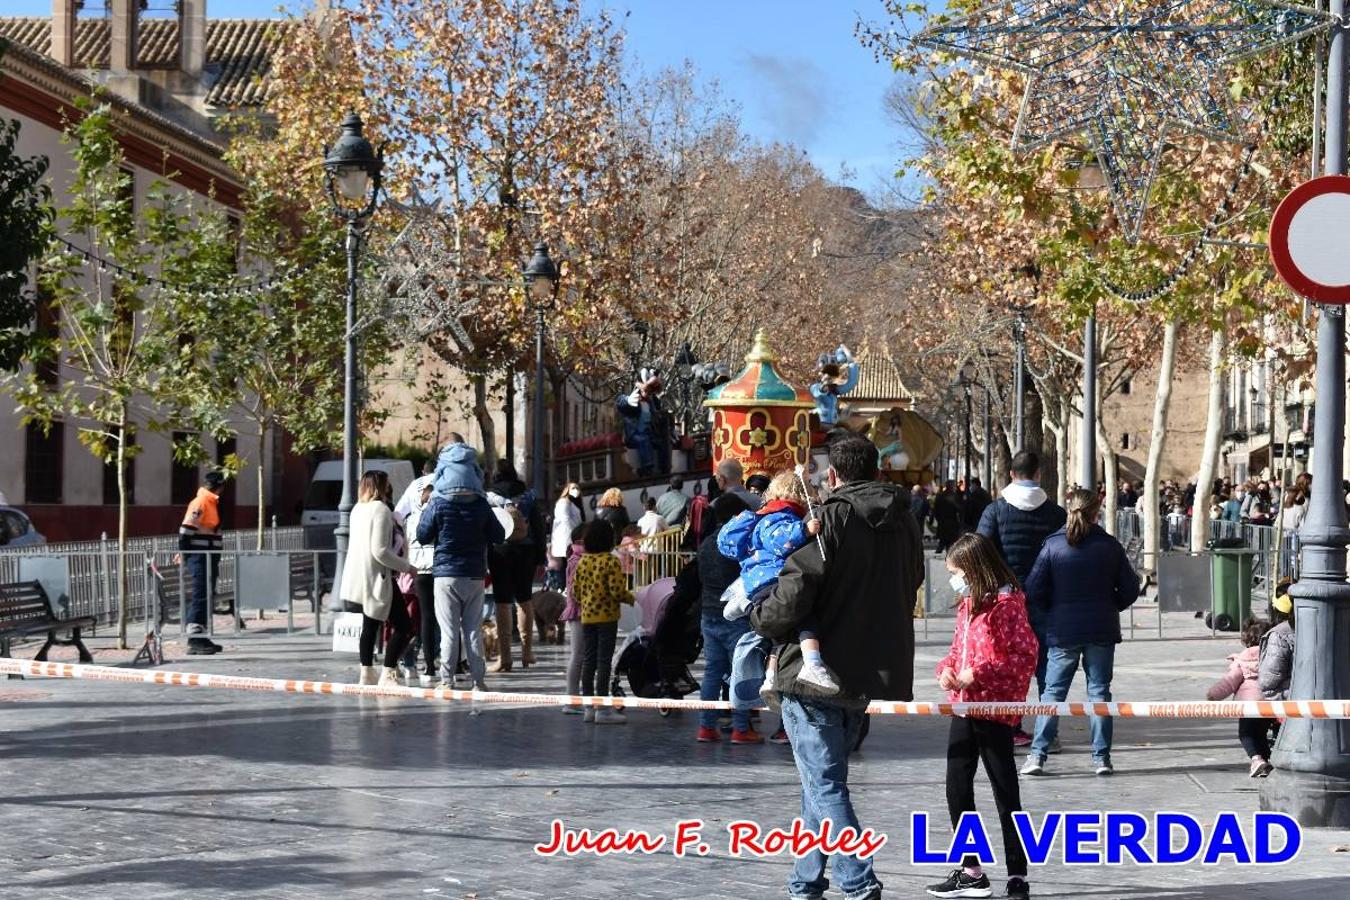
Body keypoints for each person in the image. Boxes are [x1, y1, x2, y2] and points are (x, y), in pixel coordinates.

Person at [750, 435, 924, 900]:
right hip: (867, 668)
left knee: (824, 783)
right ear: (879, 471)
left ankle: (857, 878)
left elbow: (795, 588)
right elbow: (913, 581)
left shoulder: (829, 517)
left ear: (833, 476)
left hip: (813, 670)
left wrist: (760, 613)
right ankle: (805, 881)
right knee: (820, 781)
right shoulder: (904, 521)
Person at [929, 533, 1037, 900]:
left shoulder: (1007, 605)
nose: (953, 579)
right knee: (957, 787)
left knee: (1005, 790)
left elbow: (1023, 658)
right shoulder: (967, 605)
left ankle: (1017, 872)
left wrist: (979, 674)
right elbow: (957, 651)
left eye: (957, 572)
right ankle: (970, 869)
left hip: (994, 707)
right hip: (963, 704)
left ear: (975, 569)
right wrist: (945, 670)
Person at [1021, 489, 1141, 777]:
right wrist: (1111, 605)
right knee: (1099, 692)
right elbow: (1130, 588)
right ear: (1096, 511)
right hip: (1101, 626)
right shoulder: (1109, 546)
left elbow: (1033, 589)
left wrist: (1053, 609)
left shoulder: (1053, 545)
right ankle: (1102, 758)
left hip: (1062, 629)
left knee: (1052, 693)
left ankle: (1038, 754)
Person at [977, 450, 1068, 746]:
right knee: (1046, 666)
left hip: (1005, 601)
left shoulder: (995, 511)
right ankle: (1046, 733)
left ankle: (1011, 727)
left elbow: (980, 550)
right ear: (1038, 473)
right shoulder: (1056, 514)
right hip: (1045, 600)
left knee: (1010, 665)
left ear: (1011, 475)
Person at [719, 470, 836, 697]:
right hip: (774, 580)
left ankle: (770, 678)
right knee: (805, 619)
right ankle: (813, 666)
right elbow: (778, 539)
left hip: (760, 585)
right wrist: (804, 529)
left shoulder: (766, 514)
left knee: (780, 636)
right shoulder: (778, 514)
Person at [416, 463, 505, 689]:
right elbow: (499, 534)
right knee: (472, 630)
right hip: (474, 574)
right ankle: (479, 681)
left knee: (449, 632)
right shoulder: (481, 504)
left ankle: (447, 681)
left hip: (445, 575)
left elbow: (422, 535)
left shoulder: (438, 502)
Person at [341, 471, 419, 685]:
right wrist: (407, 567)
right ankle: (388, 672)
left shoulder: (357, 509)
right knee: (404, 626)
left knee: (370, 625)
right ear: (381, 486)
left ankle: (366, 673)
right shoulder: (381, 510)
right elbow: (380, 551)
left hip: (362, 576)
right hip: (380, 577)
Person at [695, 494, 760, 743]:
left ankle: (706, 726)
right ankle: (741, 729)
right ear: (736, 516)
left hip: (708, 614)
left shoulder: (706, 544)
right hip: (735, 615)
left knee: (713, 671)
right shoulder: (738, 542)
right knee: (740, 670)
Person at [572, 519, 634, 724]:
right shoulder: (611, 561)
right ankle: (603, 709)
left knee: (588, 660)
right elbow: (616, 591)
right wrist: (632, 599)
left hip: (587, 617)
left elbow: (575, 592)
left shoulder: (583, 561)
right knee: (604, 662)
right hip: (607, 618)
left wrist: (588, 602)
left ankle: (589, 707)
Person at [487, 460, 545, 672]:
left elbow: (485, 527)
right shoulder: (527, 496)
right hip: (526, 551)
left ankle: (505, 657)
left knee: (502, 602)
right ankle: (527, 651)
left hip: (499, 551)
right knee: (525, 599)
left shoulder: (489, 498)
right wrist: (541, 557)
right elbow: (538, 528)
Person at [1207, 617, 1277, 778]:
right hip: (1270, 704)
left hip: (1248, 706)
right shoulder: (1272, 657)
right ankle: (1266, 761)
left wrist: (1213, 695)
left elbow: (1229, 682)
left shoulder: (1242, 661)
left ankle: (1256, 759)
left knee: (1246, 734)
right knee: (1261, 733)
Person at [179, 470, 228, 655]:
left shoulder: (210, 501)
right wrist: (184, 555)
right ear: (220, 486)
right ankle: (195, 638)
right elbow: (185, 531)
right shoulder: (200, 502)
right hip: (200, 556)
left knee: (206, 593)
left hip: (208, 554)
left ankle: (201, 636)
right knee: (201, 593)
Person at [404, 482, 440, 686]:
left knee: (426, 617)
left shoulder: (412, 518)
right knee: (447, 617)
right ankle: (451, 662)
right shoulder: (439, 514)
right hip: (439, 567)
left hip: (420, 570)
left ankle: (429, 666)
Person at [559, 523, 589, 714]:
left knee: (581, 657)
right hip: (579, 613)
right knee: (577, 656)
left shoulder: (579, 558)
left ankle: (578, 698)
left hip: (582, 612)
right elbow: (576, 590)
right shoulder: (577, 560)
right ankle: (571, 700)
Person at [549, 483, 584, 591]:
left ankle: (566, 586)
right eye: (573, 488)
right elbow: (565, 520)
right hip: (567, 536)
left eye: (577, 488)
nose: (575, 490)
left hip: (570, 536)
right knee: (567, 562)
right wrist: (576, 533)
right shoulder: (564, 502)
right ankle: (564, 586)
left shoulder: (575, 503)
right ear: (567, 490)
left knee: (569, 562)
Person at [932, 480, 963, 553]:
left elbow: (935, 510)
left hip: (943, 521)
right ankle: (946, 554)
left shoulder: (940, 496)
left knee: (943, 541)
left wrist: (938, 519)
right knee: (949, 542)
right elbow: (959, 509)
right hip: (952, 522)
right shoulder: (954, 496)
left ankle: (941, 552)